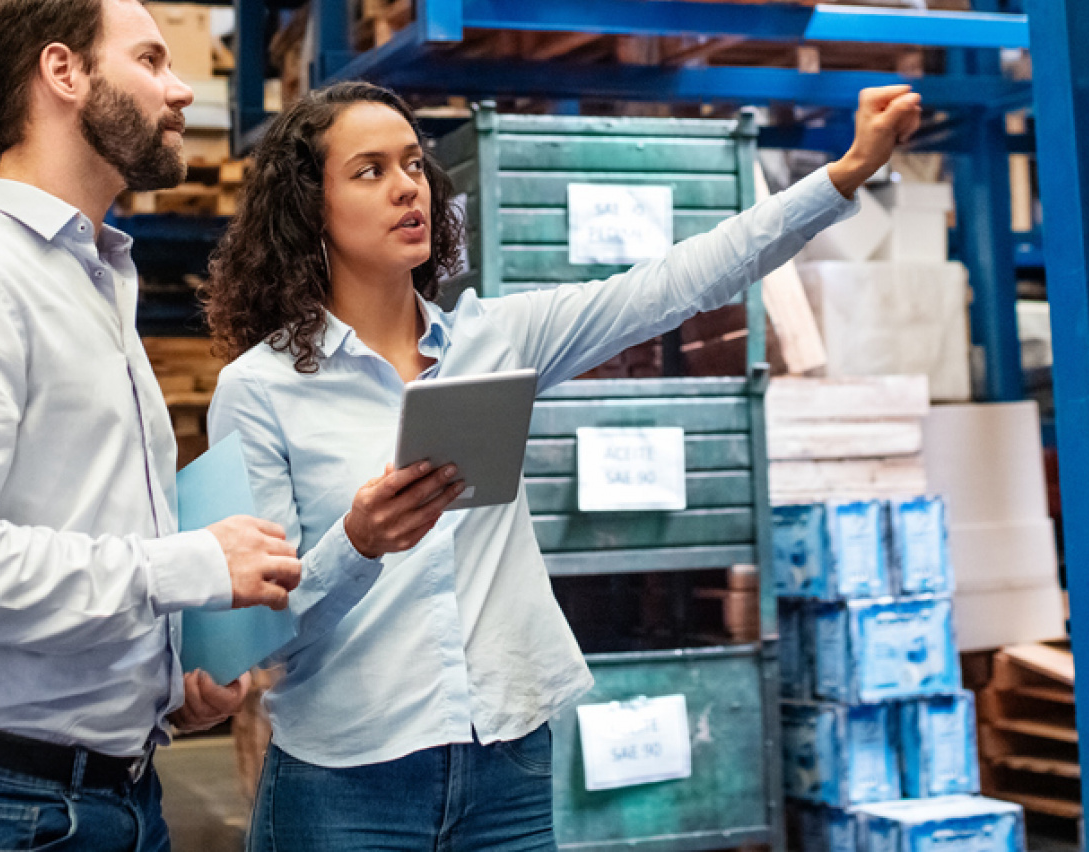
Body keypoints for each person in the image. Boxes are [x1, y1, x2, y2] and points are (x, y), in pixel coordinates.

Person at [204, 78, 921, 852]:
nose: (407, 186)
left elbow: (678, 281)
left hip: (506, 769)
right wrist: (358, 542)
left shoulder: (496, 340)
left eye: (413, 164)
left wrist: (844, 174)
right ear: (311, 209)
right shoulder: (259, 390)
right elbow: (256, 640)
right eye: (370, 170)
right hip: (345, 786)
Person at [0, 0, 302, 852]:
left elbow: (73, 521)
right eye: (152, 59)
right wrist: (185, 568)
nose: (182, 87)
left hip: (103, 792)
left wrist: (165, 678)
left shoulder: (92, 278)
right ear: (64, 72)